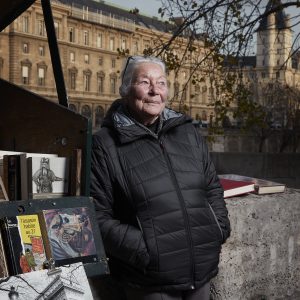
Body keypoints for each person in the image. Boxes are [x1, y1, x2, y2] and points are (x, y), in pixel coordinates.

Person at [90, 55, 231, 300]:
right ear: (125, 89)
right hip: (150, 281)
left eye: (161, 83)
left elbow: (212, 187)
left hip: (200, 269)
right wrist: (146, 250)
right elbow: (96, 215)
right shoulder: (104, 143)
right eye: (145, 82)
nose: (155, 91)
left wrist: (218, 229)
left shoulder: (187, 132)